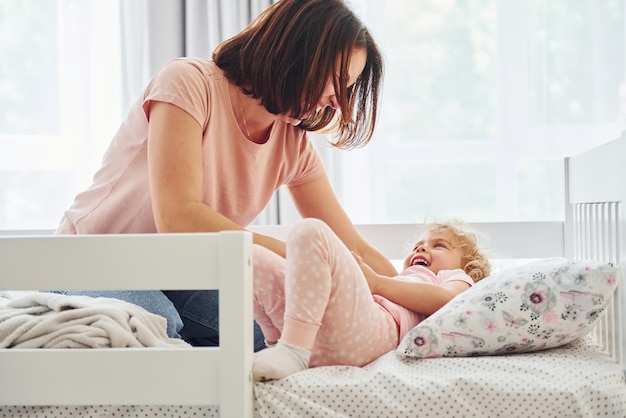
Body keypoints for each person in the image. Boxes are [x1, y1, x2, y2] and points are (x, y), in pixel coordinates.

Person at [53, 0, 393, 352]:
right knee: (156, 325)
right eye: (334, 82)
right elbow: (179, 217)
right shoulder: (188, 82)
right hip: (91, 258)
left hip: (175, 275)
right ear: (295, 53)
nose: (336, 103)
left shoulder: (293, 145)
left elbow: (354, 247)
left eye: (347, 88)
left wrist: (423, 301)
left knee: (259, 334)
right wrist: (308, 257)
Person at [252, 217, 491, 382]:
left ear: (468, 268)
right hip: (327, 337)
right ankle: (280, 344)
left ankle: (291, 350)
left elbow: (444, 300)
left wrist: (376, 282)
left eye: (439, 245)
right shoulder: (402, 279)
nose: (421, 249)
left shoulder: (455, 277)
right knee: (254, 257)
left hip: (373, 333)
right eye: (418, 246)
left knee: (311, 231)